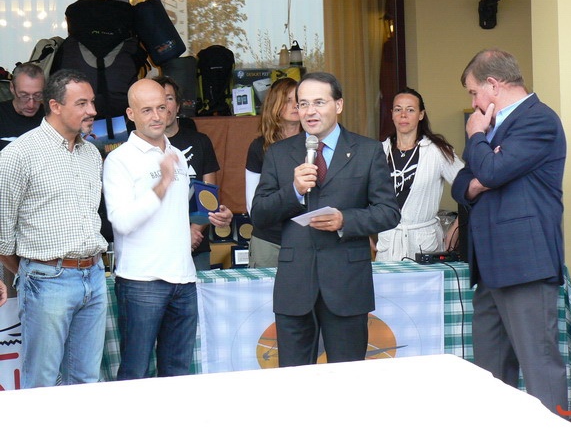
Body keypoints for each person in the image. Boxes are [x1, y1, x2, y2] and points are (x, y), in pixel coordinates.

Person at [251, 72, 399, 367]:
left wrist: (345, 220)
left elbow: (389, 212)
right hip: (295, 286)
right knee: (293, 379)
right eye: (303, 104)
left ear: (338, 105)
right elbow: (260, 214)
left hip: (347, 283)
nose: (310, 111)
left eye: (319, 102)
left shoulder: (367, 151)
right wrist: (293, 190)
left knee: (346, 377)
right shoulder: (279, 153)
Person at [451, 49, 568, 413]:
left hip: (524, 262)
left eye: (474, 92)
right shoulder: (494, 128)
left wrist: (476, 138)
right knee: (490, 373)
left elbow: (490, 171)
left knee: (539, 366)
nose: (474, 103)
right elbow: (462, 182)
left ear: (493, 84)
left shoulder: (538, 119)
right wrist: (481, 173)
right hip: (490, 268)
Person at [103, 78, 232, 380]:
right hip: (141, 281)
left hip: (183, 277)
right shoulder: (119, 159)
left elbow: (182, 209)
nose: (157, 116)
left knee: (177, 374)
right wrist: (161, 185)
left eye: (161, 107)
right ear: (130, 114)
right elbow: (121, 221)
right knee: (135, 372)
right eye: (146, 110)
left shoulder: (175, 154)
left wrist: (215, 215)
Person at [0, 68, 107, 388]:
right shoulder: (18, 154)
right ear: (55, 106)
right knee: (42, 384)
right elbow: (2, 235)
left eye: (92, 102)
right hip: (47, 279)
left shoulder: (92, 153)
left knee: (86, 380)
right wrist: (36, 270)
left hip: (94, 275)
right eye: (82, 103)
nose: (92, 111)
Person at [374, 88, 463, 261]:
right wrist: (363, 236)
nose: (403, 115)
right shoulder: (378, 151)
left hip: (426, 244)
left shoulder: (438, 151)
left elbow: (470, 190)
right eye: (398, 109)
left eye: (410, 109)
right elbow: (359, 196)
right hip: (388, 245)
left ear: (421, 115)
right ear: (392, 114)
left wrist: (454, 231)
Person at [152, 75, 226, 271]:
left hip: (196, 242)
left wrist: (193, 231)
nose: (163, 105)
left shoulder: (200, 141)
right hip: (156, 246)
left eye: (169, 98)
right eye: (157, 100)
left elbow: (209, 194)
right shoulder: (142, 147)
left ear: (177, 106)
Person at [245, 77, 301, 267]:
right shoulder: (259, 147)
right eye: (287, 100)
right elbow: (252, 203)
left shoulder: (315, 143)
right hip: (268, 239)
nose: (295, 105)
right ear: (274, 105)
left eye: (299, 100)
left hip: (306, 237)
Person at [0, 62, 46, 150]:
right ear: (12, 88)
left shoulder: (52, 118)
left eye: (37, 95)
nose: (31, 105)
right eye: (24, 95)